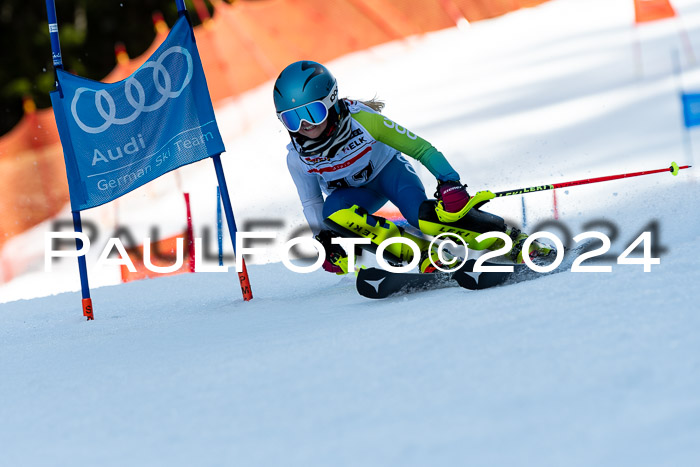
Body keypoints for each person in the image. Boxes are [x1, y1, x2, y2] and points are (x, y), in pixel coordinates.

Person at [273, 60, 553, 274]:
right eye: (291, 119)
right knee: (333, 216)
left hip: (389, 173)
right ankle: (418, 255)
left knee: (427, 218)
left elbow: (421, 149)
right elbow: (310, 200)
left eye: (312, 112)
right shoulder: (297, 158)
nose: (304, 126)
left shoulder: (364, 121)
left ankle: (512, 242)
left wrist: (449, 182)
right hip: (355, 194)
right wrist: (324, 240)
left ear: (331, 102)